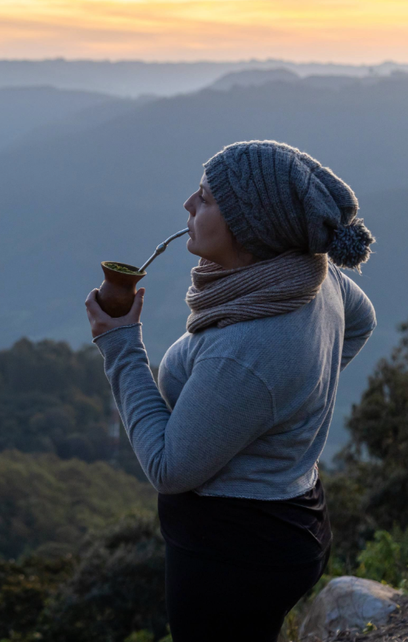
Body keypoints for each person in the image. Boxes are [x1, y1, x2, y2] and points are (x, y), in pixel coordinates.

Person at [83, 140, 377, 642]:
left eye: (206, 198)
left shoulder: (244, 351)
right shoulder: (308, 275)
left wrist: (120, 345)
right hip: (292, 515)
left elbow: (169, 469)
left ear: (250, 225)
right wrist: (286, 408)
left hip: (234, 554)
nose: (188, 206)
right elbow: (361, 321)